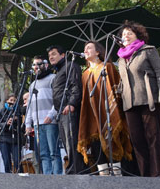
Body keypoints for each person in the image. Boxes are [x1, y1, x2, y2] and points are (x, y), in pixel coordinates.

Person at [77, 41, 133, 175]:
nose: (85, 50)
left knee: (113, 142)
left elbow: (116, 90)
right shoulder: (84, 74)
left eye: (89, 48)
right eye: (84, 49)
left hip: (109, 114)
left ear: (98, 52)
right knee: (97, 147)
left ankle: (117, 177)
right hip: (92, 117)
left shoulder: (107, 67)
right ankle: (103, 177)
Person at [117, 21, 160, 177]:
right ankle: (144, 177)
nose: (125, 36)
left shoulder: (148, 50)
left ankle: (156, 176)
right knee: (137, 141)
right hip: (129, 103)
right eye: (123, 34)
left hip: (149, 100)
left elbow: (159, 73)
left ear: (138, 35)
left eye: (129, 33)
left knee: (153, 138)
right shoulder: (121, 58)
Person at [47, 45, 86, 174]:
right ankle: (73, 170)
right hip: (60, 112)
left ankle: (75, 171)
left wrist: (71, 104)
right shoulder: (58, 71)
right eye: (49, 55)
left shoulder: (71, 66)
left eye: (54, 54)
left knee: (72, 142)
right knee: (67, 144)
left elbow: (76, 86)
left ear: (63, 55)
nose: (50, 57)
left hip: (69, 110)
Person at [25, 56, 62, 175]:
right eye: (34, 65)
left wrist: (51, 115)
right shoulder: (32, 84)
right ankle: (47, 179)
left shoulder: (53, 78)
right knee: (43, 154)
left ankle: (57, 178)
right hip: (37, 124)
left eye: (38, 64)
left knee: (53, 153)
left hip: (50, 122)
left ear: (46, 65)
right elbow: (29, 105)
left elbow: (58, 99)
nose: (36, 67)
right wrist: (28, 123)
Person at [0, 94, 21, 173]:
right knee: (7, 162)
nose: (13, 102)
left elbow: (22, 126)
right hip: (4, 139)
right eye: (11, 100)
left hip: (16, 140)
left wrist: (17, 120)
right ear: (6, 101)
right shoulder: (0, 111)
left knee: (17, 161)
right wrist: (6, 123)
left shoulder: (18, 112)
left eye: (14, 100)